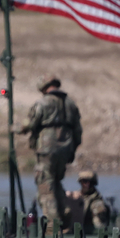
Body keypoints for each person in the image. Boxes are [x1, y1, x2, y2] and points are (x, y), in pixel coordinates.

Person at [22, 75, 82, 228]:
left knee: (45, 185)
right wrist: (72, 150)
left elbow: (30, 124)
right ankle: (65, 209)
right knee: (55, 181)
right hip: (65, 149)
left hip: (47, 149)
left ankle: (52, 224)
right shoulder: (71, 104)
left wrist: (14, 128)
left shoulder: (42, 103)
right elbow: (78, 131)